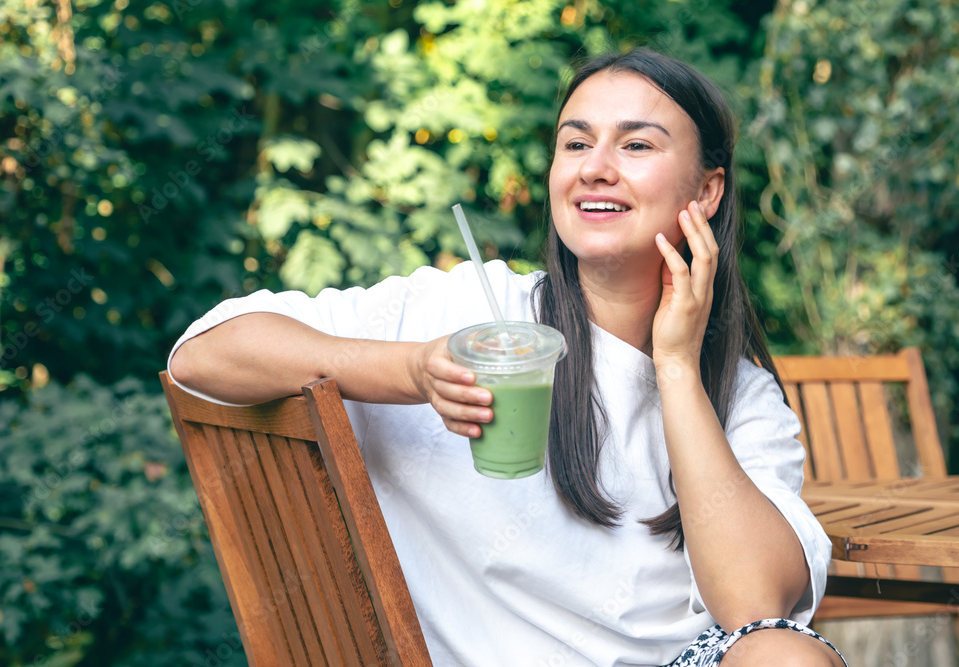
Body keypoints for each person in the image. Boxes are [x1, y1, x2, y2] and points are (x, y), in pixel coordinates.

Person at [169, 48, 847, 666]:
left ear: (705, 191)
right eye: (575, 142)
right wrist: (410, 370)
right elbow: (203, 354)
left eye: (636, 143)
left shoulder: (742, 395)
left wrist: (674, 365)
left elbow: (756, 610)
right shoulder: (467, 315)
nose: (594, 167)